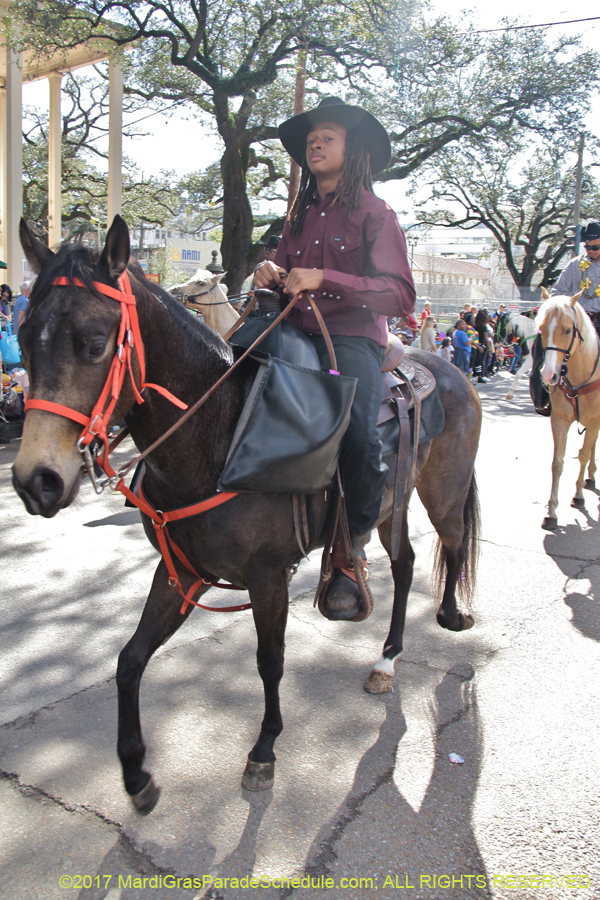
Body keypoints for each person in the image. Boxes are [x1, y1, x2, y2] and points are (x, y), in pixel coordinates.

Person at [253, 96, 416, 619]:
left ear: (354, 149)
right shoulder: (299, 213)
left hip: (350, 336)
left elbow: (399, 296)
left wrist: (329, 279)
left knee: (360, 434)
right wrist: (270, 274)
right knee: (234, 385)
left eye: (327, 135)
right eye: (311, 138)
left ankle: (350, 549)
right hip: (294, 329)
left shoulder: (376, 212)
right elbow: (285, 273)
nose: (315, 142)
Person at [552, 222, 600, 336]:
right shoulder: (575, 265)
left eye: (595, 247)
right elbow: (558, 292)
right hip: (580, 320)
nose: (591, 250)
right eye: (587, 247)